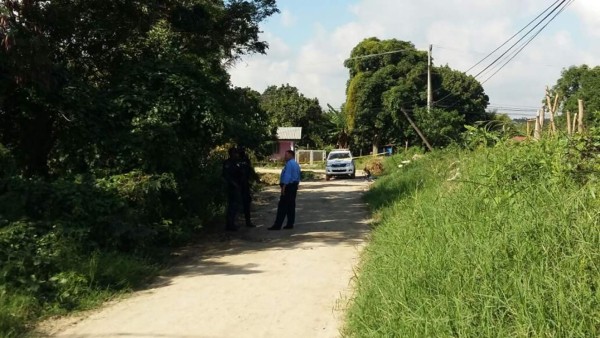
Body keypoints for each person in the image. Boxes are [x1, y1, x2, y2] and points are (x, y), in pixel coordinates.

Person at [268, 150, 301, 230]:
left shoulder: (289, 164)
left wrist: (283, 188)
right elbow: (298, 176)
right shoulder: (296, 164)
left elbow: (287, 176)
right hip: (293, 186)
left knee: (282, 206)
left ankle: (277, 225)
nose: (285, 156)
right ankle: (290, 223)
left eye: (286, 155)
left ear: (291, 155)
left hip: (288, 187)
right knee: (291, 206)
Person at [222, 147, 242, 231]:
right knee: (232, 206)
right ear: (231, 154)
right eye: (235, 153)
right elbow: (226, 176)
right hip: (231, 187)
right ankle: (230, 225)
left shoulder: (237, 162)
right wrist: (234, 184)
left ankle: (232, 223)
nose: (236, 155)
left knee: (235, 206)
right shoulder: (228, 163)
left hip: (237, 186)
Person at [237, 146, 256, 228]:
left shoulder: (246, 160)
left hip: (245, 185)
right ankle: (233, 223)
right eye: (241, 151)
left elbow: (250, 170)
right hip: (236, 186)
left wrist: (253, 179)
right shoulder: (234, 160)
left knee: (246, 204)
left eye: (243, 151)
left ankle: (248, 222)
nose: (243, 153)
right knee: (235, 204)